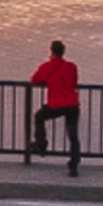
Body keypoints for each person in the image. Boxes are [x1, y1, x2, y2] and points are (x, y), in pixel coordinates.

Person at [27, 39, 81, 175]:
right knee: (73, 136)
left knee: (39, 116)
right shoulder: (71, 66)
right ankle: (73, 166)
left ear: (51, 51)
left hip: (56, 104)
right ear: (63, 52)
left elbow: (34, 80)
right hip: (72, 105)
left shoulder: (47, 67)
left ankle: (41, 144)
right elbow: (74, 81)